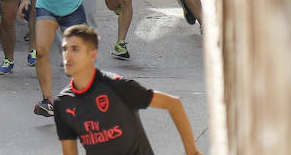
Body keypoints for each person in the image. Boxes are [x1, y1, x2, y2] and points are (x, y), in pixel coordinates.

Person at [55, 25, 204, 155]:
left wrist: (192, 151)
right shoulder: (63, 103)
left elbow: (173, 103)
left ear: (92, 54)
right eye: (64, 49)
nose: (67, 55)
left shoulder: (117, 86)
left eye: (75, 49)